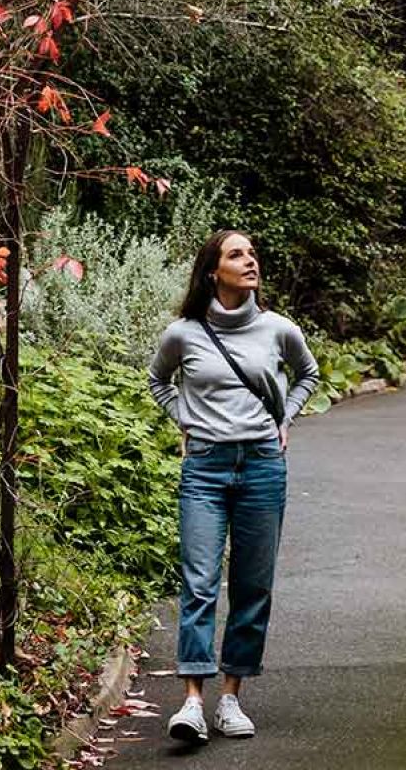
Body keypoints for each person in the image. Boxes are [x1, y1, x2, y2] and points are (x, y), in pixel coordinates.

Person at [148, 229, 320, 744]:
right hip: (204, 468)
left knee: (252, 585)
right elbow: (159, 381)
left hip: (264, 466)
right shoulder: (184, 333)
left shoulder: (278, 329)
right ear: (212, 271)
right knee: (199, 581)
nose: (250, 261)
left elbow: (308, 373)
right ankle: (192, 703)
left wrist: (285, 417)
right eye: (236, 254)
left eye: (252, 253)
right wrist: (185, 418)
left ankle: (230, 698)